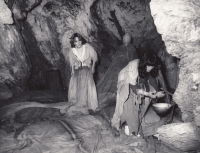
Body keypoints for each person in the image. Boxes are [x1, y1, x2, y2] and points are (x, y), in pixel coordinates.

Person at [111, 51, 167, 137]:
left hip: (137, 82)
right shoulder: (134, 66)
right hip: (126, 82)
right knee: (127, 102)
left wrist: (157, 91)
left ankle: (137, 120)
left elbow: (152, 81)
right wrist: (148, 94)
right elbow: (133, 87)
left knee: (144, 101)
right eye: (148, 66)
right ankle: (118, 125)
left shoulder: (151, 68)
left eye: (152, 66)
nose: (150, 68)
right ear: (144, 63)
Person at [68, 33, 98, 110]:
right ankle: (78, 102)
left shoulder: (87, 47)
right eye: (76, 41)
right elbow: (72, 61)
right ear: (73, 42)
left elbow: (94, 57)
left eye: (79, 41)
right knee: (77, 86)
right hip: (77, 70)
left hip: (86, 69)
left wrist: (93, 67)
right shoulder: (72, 51)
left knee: (88, 86)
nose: (79, 43)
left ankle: (90, 104)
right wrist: (72, 70)